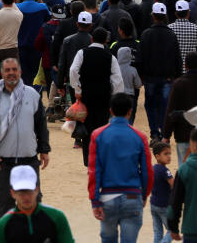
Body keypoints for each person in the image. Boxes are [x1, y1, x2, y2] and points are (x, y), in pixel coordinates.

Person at [0, 58, 51, 218]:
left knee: (34, 205)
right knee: (6, 208)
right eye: (7, 70)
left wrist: (44, 150)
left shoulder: (32, 95)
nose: (11, 73)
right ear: (2, 73)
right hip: (5, 164)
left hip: (30, 160)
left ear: (20, 72)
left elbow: (41, 124)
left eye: (14, 69)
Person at [88, 93, 153, 243]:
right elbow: (147, 171)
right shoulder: (139, 136)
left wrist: (95, 201)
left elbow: (94, 171)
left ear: (110, 110)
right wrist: (143, 195)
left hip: (108, 197)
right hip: (132, 196)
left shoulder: (98, 135)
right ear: (130, 111)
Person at [70, 27, 125, 166]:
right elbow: (118, 80)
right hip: (103, 97)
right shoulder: (110, 57)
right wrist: (113, 95)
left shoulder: (82, 53)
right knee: (101, 128)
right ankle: (99, 160)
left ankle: (88, 160)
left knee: (87, 128)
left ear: (92, 39)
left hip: (86, 96)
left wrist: (78, 88)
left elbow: (73, 70)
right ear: (106, 41)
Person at [0, 165, 74, 243]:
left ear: (37, 190)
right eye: (21, 193)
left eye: (29, 191)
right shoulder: (3, 225)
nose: (26, 197)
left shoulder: (57, 218)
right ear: (12, 193)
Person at [140, 3, 182, 141]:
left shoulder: (146, 34)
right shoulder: (171, 35)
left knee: (150, 104)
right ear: (165, 16)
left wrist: (142, 75)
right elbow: (177, 57)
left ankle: (154, 133)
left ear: (153, 16)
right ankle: (164, 133)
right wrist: (177, 76)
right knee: (165, 105)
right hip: (167, 77)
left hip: (150, 77)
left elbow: (141, 57)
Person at [169, 0, 197, 74]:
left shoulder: (169, 29)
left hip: (175, 70)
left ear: (176, 13)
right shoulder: (196, 29)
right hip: (192, 70)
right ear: (188, 13)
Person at [151, 141, 174, 243]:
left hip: (154, 204)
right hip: (164, 205)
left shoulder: (152, 169)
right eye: (166, 154)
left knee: (157, 232)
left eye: (169, 154)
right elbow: (174, 185)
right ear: (157, 156)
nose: (169, 156)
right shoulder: (165, 171)